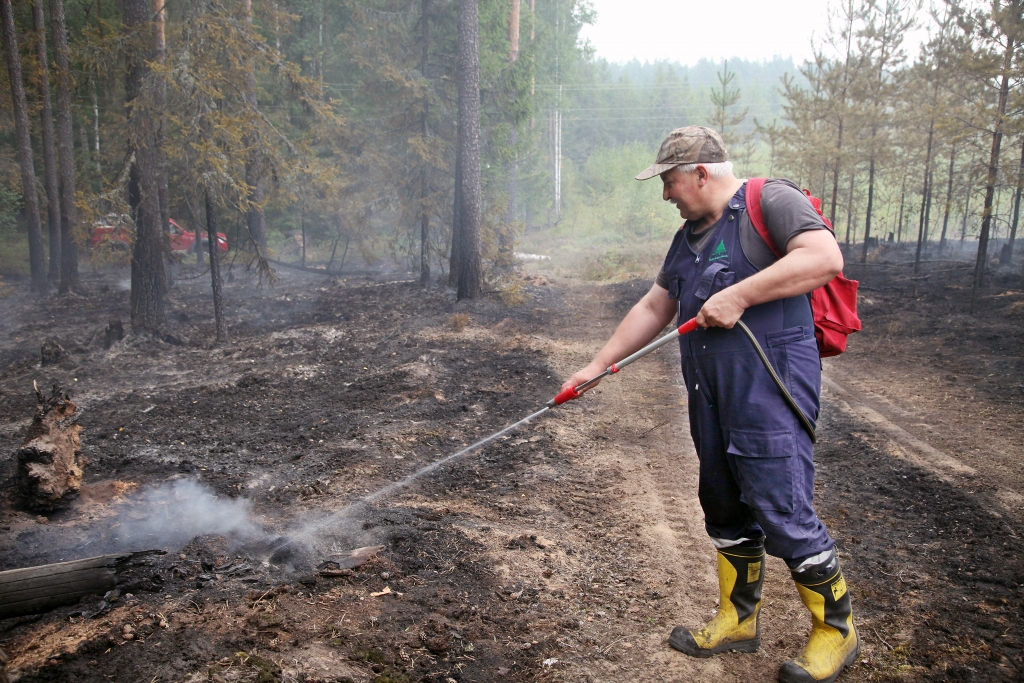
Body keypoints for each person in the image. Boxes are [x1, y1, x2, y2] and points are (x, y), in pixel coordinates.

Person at [561, 126, 859, 683]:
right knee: (721, 500)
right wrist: (596, 366)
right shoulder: (689, 236)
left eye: (670, 181)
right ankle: (738, 620)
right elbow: (657, 304)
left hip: (769, 383)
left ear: (702, 172)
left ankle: (835, 630)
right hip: (710, 389)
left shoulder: (770, 201)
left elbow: (824, 257)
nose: (666, 194)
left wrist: (742, 293)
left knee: (780, 506)